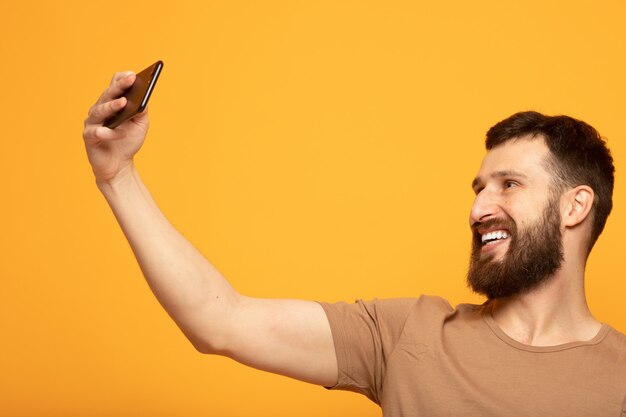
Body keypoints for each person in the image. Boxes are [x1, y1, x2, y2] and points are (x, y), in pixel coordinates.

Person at [83, 72, 626, 416]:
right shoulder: (407, 335)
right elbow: (219, 320)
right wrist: (118, 178)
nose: (479, 208)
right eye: (479, 188)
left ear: (574, 206)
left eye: (509, 184)